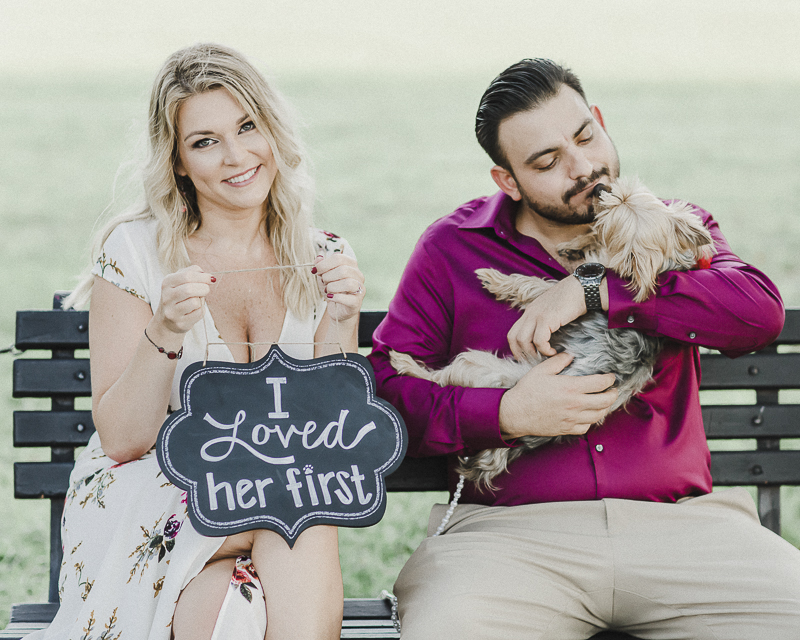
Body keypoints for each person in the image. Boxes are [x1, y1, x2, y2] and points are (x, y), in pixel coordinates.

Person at [367, 59, 800, 638]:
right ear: (508, 181)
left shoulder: (668, 227)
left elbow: (757, 311)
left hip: (685, 534)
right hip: (507, 543)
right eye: (546, 162)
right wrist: (504, 414)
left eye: (584, 137)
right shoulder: (452, 250)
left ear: (599, 119)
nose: (582, 168)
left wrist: (596, 289)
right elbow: (387, 396)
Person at [31, 43, 365, 640]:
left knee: (229, 609)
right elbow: (124, 439)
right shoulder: (134, 253)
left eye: (247, 127)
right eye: (205, 141)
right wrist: (163, 332)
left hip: (268, 491)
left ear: (272, 130)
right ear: (179, 162)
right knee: (297, 508)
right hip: (150, 491)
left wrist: (340, 322)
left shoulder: (321, 256)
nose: (237, 156)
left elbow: (326, 434)